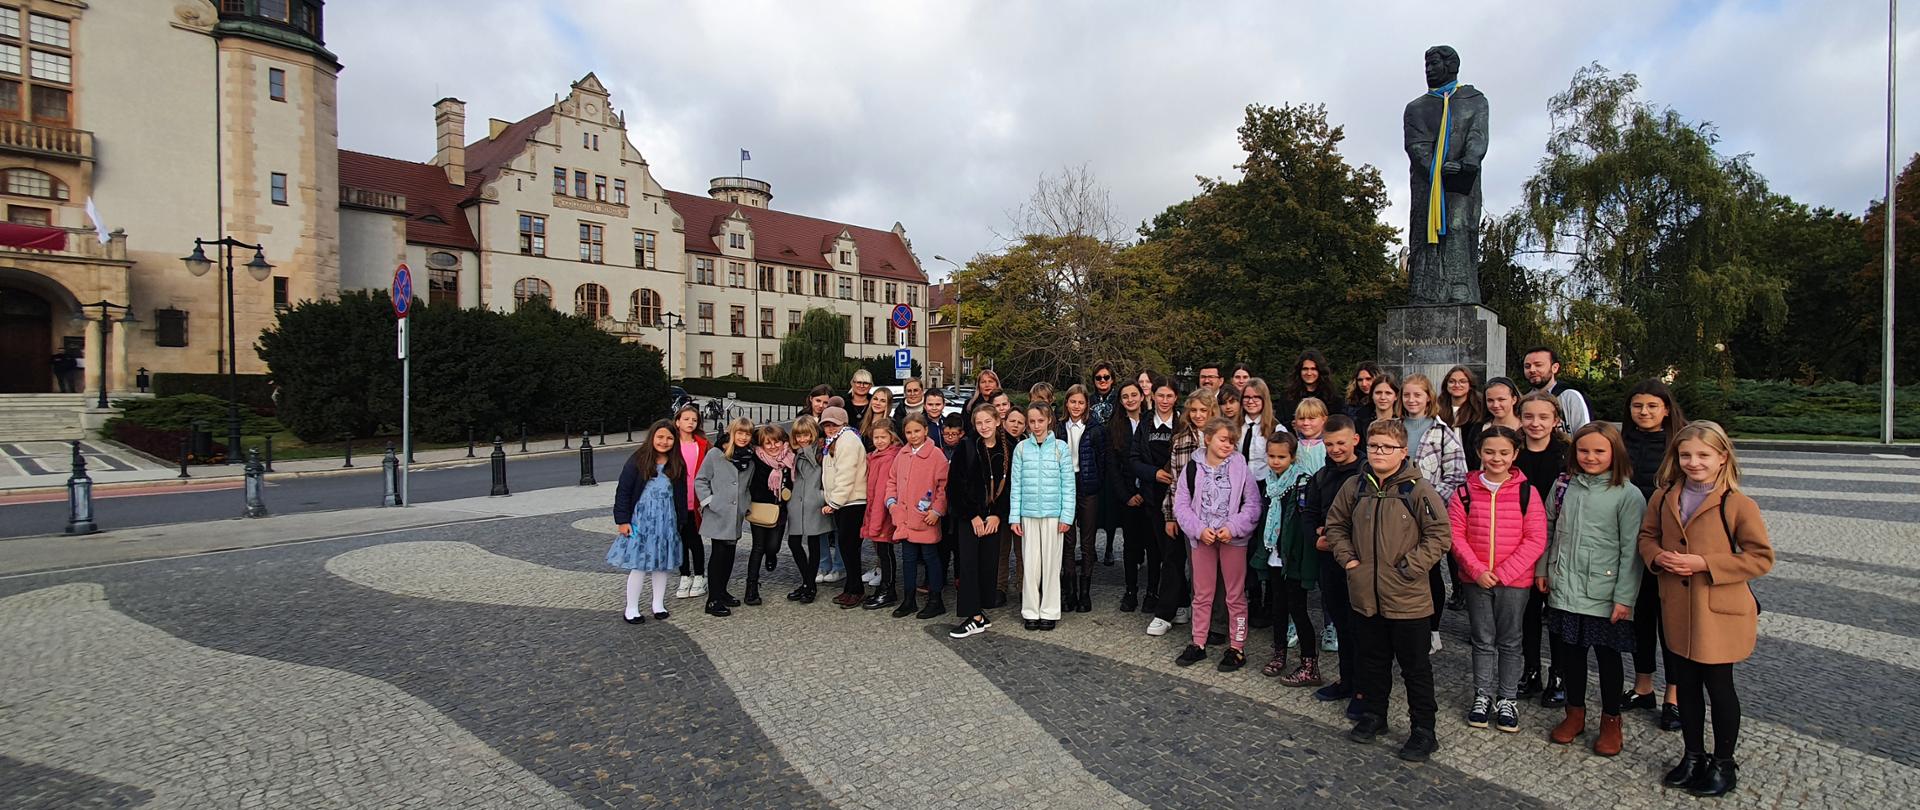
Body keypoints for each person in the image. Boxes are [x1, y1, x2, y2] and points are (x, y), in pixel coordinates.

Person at [1638, 421, 1772, 798]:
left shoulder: (1737, 504)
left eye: (1702, 455)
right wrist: (1657, 556)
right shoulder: (1664, 497)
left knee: (1719, 685)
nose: (1693, 462)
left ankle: (1724, 762)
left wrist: (1705, 564)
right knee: (1685, 685)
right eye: (1686, 455)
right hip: (1678, 607)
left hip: (1717, 609)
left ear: (1721, 458)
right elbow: (1647, 537)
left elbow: (1760, 558)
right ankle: (1693, 754)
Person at [1328, 418, 1451, 763]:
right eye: (1374, 446)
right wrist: (1348, 559)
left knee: (1415, 668)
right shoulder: (1356, 486)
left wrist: (1410, 567)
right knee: (1372, 660)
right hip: (1366, 595)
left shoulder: (1418, 490)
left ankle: (1424, 729)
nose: (1379, 453)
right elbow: (1336, 524)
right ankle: (1374, 715)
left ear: (1403, 451)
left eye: (1387, 447)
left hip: (1408, 598)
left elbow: (1440, 535)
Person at [1544, 422, 1647, 757]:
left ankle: (1610, 721)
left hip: (1603, 592)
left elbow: (1631, 551)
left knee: (1607, 659)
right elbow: (1549, 528)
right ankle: (1574, 714)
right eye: (1584, 450)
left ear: (1614, 454)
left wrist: (1624, 597)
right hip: (1565, 585)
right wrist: (1543, 569)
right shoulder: (1565, 486)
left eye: (1599, 451)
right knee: (1570, 656)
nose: (1590, 457)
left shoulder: (1627, 494)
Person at [1447, 425, 1547, 734]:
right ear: (1479, 452)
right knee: (1482, 638)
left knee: (1510, 640)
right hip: (1476, 579)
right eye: (1489, 452)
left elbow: (1535, 539)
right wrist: (1477, 570)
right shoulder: (1464, 491)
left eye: (1504, 452)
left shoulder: (1527, 492)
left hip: (1514, 582)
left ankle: (1507, 697)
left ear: (1515, 454)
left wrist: (1503, 572)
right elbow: (1455, 535)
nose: (1496, 458)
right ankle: (1482, 694)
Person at [1621, 379, 1688, 728]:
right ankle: (1642, 685)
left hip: (1669, 542)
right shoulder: (1620, 441)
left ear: (1665, 408)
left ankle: (1673, 695)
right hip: (1632, 540)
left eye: (1651, 406)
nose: (1644, 412)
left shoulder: (1681, 443)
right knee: (1642, 618)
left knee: (1670, 621)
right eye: (1637, 406)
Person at [1172, 417, 1264, 671]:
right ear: (1209, 438)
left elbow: (1253, 504)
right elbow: (1181, 504)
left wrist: (1233, 527)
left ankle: (1237, 646)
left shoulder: (1240, 466)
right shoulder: (1192, 467)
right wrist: (1199, 529)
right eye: (1224, 439)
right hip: (1202, 539)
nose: (1228, 445)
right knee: (1202, 594)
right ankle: (1198, 641)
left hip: (1233, 540)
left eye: (1233, 442)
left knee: (1234, 595)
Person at [1401, 373, 1468, 653]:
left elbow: (1456, 474)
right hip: (1395, 511)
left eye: (1417, 394)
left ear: (1428, 397)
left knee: (1428, 572)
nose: (1412, 400)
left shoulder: (1442, 432)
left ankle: (1433, 629)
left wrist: (1427, 500)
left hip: (1427, 512)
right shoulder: (1393, 428)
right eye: (1407, 395)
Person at [1301, 415, 1364, 706]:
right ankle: (1346, 679)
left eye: (1341, 443)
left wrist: (1340, 540)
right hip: (1328, 558)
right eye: (1329, 444)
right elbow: (1309, 511)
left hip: (1358, 560)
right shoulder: (1322, 476)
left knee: (1359, 626)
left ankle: (1363, 688)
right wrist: (1315, 539)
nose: (1335, 449)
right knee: (1340, 622)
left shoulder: (1366, 474)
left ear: (1355, 440)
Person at [1257, 428, 1326, 684]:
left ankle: (1309, 662)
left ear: (1292, 457)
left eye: (1281, 457)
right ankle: (1279, 653)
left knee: (1298, 608)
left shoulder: (1303, 483)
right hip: (1274, 554)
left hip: (1294, 556)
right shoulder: (1270, 483)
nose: (1276, 462)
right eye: (1272, 456)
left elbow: (1305, 521)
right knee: (1278, 606)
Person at [1515, 392, 1570, 705]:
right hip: (1520, 541)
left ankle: (1559, 673)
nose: (1535, 423)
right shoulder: (1514, 451)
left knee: (1558, 610)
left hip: (1559, 540)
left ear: (1556, 420)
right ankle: (1531, 668)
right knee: (1528, 612)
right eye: (1529, 417)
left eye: (1543, 417)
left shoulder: (1567, 453)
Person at [1146, 389, 1216, 637]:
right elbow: (1174, 481)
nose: (1198, 415)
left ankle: (1204, 617)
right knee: (1173, 560)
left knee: (1206, 569)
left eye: (1203, 411)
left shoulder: (1222, 437)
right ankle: (1165, 613)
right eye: (1193, 410)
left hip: (1213, 513)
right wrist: (1171, 515)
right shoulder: (1180, 439)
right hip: (1183, 511)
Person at [609, 420, 690, 623]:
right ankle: (632, 607)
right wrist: (622, 520)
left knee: (661, 565)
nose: (664, 442)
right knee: (639, 564)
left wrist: (681, 520)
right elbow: (624, 491)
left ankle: (658, 604)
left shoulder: (677, 463)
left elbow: (681, 494)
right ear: (652, 437)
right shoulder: (638, 460)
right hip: (641, 520)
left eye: (670, 438)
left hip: (666, 521)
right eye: (660, 437)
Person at [949, 403, 1013, 639]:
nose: (984, 426)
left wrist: (997, 514)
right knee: (968, 565)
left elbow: (1010, 488)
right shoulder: (967, 447)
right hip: (970, 517)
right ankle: (972, 615)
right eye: (979, 423)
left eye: (988, 421)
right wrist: (972, 515)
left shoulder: (1008, 449)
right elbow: (955, 486)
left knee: (987, 565)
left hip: (993, 518)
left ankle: (981, 611)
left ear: (997, 421)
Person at [1011, 402, 1075, 630]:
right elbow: (1016, 485)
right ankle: (1030, 610)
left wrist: (1067, 516)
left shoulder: (1060, 448)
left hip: (1052, 515)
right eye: (1032, 422)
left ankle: (1049, 610)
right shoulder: (1021, 449)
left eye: (1040, 420)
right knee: (1031, 565)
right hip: (1028, 514)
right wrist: (1014, 517)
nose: (1036, 426)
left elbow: (1069, 485)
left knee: (1050, 564)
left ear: (1049, 420)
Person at [887, 412, 950, 620]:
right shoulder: (902, 454)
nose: (913, 436)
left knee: (931, 559)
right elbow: (892, 480)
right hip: (904, 518)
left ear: (925, 431)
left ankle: (935, 599)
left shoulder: (936, 455)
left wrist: (937, 510)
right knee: (908, 559)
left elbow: (943, 487)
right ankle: (909, 598)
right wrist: (892, 503)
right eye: (908, 432)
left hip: (926, 518)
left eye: (916, 431)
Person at [694, 418, 755, 617]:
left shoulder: (749, 459)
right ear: (732, 433)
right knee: (718, 554)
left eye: (747, 434)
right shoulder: (715, 454)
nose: (744, 437)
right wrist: (710, 501)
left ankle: (722, 591)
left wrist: (745, 504)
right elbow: (701, 479)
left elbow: (746, 487)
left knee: (729, 554)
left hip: (735, 514)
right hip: (718, 512)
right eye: (740, 433)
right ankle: (713, 599)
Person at [1055, 385, 1107, 613]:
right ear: (1066, 403)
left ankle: (1085, 592)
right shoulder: (1057, 427)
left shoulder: (1095, 428)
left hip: (1087, 486)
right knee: (1067, 540)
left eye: (1081, 402)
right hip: (1065, 486)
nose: (1076, 406)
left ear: (1087, 405)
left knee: (1087, 541)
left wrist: (1096, 482)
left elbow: (1102, 459)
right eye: (1072, 402)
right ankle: (1070, 591)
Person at [820, 407, 871, 609]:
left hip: (852, 502)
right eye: (826, 424)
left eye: (834, 424)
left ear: (842, 424)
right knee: (847, 547)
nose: (830, 428)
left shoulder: (847, 440)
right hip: (846, 501)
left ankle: (856, 589)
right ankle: (851, 587)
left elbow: (846, 474)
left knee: (849, 547)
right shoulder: (837, 440)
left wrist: (834, 502)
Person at [1109, 381, 1154, 610]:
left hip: (1151, 493)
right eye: (1125, 396)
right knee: (1130, 546)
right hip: (1128, 494)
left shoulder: (1151, 422)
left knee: (1152, 545)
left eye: (1133, 395)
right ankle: (1131, 591)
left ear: (1141, 396)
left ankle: (1152, 593)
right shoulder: (1115, 426)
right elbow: (1113, 466)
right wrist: (1126, 495)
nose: (1130, 399)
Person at [742, 424, 796, 607]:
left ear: (783, 442)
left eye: (777, 442)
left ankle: (771, 555)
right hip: (759, 507)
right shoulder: (755, 459)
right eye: (768, 443)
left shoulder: (789, 460)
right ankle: (751, 588)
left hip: (780, 509)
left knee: (773, 545)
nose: (773, 446)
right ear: (761, 444)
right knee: (758, 547)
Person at [785, 416, 831, 604]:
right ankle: (808, 582)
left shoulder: (821, 453)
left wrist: (821, 497)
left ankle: (809, 586)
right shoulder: (791, 454)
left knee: (814, 544)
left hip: (814, 503)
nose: (802, 439)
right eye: (799, 436)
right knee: (793, 542)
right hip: (797, 503)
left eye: (806, 435)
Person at [859, 421, 903, 611]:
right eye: (876, 437)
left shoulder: (889, 458)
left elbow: (881, 493)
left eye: (883, 437)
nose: (879, 441)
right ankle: (884, 588)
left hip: (883, 514)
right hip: (875, 511)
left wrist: (875, 521)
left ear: (891, 437)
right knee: (882, 551)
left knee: (885, 553)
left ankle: (888, 589)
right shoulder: (876, 457)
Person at [671, 404, 712, 599]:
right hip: (676, 501)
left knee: (695, 540)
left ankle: (699, 575)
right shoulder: (671, 444)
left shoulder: (702, 444)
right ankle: (684, 575)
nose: (690, 423)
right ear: (677, 421)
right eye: (686, 419)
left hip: (695, 500)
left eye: (694, 420)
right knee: (680, 540)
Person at [1522, 346, 1591, 431]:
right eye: (1527, 366)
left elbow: (1585, 433)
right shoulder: (1524, 400)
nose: (1532, 370)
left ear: (1555, 368)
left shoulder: (1570, 397)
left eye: (1538, 365)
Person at [1441, 365, 1488, 476]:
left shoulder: (1479, 409)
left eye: (1462, 381)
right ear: (1446, 384)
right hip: (1445, 468)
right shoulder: (1438, 408)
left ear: (1470, 385)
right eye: (1452, 381)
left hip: (1472, 468)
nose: (1457, 385)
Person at [1279, 349, 1338, 421]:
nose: (1309, 373)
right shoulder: (1288, 397)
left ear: (1320, 371)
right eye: (1305, 369)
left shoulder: (1332, 397)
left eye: (1313, 369)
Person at [1358, 372, 1402, 437]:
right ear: (1372, 395)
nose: (1382, 397)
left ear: (1396, 396)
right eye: (1378, 393)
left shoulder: (1403, 423)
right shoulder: (1360, 423)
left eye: (1388, 393)